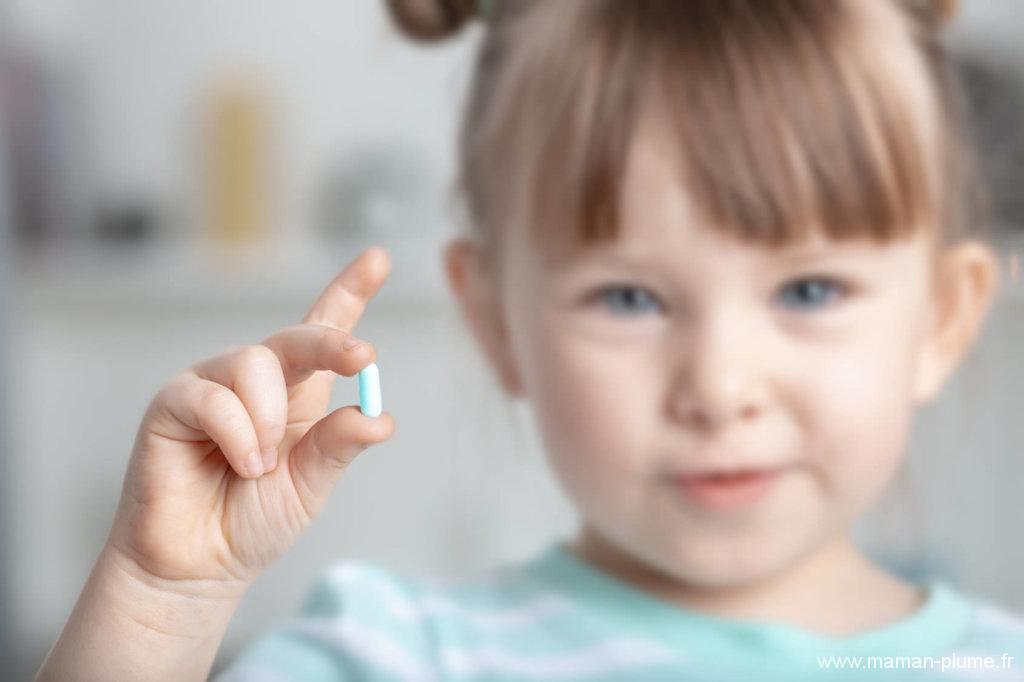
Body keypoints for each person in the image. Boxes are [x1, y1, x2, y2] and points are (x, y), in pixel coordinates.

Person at [36, 0, 1024, 680]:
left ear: (942, 317)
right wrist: (160, 600)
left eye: (808, 288)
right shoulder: (400, 656)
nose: (719, 388)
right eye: (630, 298)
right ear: (494, 321)